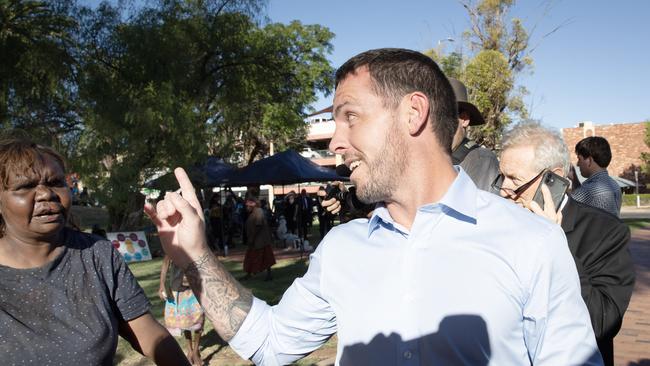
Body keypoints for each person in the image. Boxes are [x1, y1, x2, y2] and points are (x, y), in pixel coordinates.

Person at [145, 49, 602, 365]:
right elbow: (270, 342)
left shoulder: (531, 242)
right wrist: (197, 256)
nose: (337, 141)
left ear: (413, 113)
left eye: (351, 116)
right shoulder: (342, 248)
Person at [0, 138, 189, 365]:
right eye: (25, 186)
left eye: (56, 182)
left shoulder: (96, 254)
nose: (45, 194)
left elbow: (149, 334)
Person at [495, 121, 635, 366]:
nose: (503, 190)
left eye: (514, 180)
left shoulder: (607, 233)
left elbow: (603, 322)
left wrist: (556, 244)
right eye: (502, 177)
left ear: (554, 178)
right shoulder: (498, 223)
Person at [320, 77, 499, 216]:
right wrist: (348, 199)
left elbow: (473, 218)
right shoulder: (422, 158)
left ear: (464, 119)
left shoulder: (480, 159)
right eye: (429, 113)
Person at [159, 255, 205, 365]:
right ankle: (189, 350)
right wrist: (161, 284)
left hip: (196, 286)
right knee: (185, 321)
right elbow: (166, 262)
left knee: (200, 319)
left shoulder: (194, 241)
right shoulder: (172, 242)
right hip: (178, 287)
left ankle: (195, 351)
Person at [572, 136, 622, 216]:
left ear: (589, 161)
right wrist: (574, 178)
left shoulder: (589, 190)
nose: (577, 164)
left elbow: (564, 209)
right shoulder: (614, 185)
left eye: (579, 159)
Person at [241, 197, 276, 281]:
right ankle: (248, 273)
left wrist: (252, 238)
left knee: (266, 258)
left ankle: (269, 275)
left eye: (247, 206)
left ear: (252, 205)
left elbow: (258, 225)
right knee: (250, 257)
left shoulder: (259, 211)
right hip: (255, 240)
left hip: (261, 240)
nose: (246, 208)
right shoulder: (253, 212)